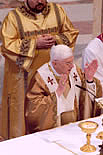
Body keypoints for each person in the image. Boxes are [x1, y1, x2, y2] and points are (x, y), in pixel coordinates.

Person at [0, 0, 79, 140]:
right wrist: (35, 43)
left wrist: (56, 39)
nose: (40, 1)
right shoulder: (14, 18)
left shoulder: (58, 11)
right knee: (24, 113)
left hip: (52, 75)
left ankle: (53, 140)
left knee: (50, 108)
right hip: (23, 77)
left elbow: (71, 33)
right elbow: (7, 46)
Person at [25, 44, 102, 134]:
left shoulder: (74, 70)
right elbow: (33, 109)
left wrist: (89, 80)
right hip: (55, 131)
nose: (72, 66)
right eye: (68, 63)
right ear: (54, 63)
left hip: (76, 128)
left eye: (72, 62)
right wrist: (57, 94)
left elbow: (86, 96)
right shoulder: (41, 77)